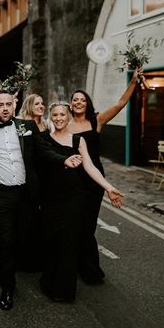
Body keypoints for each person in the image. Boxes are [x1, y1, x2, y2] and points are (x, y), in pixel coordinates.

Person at [39, 102, 123, 302]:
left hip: (74, 197)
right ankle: (49, 281)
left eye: (62, 115)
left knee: (68, 241)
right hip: (50, 198)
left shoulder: (78, 140)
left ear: (68, 117)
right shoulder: (42, 139)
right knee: (52, 240)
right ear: (51, 117)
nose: (59, 118)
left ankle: (64, 291)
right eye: (55, 115)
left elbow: (90, 167)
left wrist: (108, 187)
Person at [67, 69, 141, 284]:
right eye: (75, 100)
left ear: (87, 103)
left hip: (93, 180)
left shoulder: (96, 121)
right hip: (72, 179)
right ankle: (74, 264)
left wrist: (134, 82)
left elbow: (119, 104)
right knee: (74, 224)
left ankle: (90, 270)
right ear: (71, 104)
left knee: (88, 226)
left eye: (82, 100)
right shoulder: (65, 125)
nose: (79, 102)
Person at [0, 90, 42, 311]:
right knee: (6, 242)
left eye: (8, 104)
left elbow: (43, 152)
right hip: (0, 194)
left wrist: (65, 159)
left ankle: (7, 252)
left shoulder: (28, 127)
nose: (4, 108)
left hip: (25, 194)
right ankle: (6, 288)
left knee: (20, 239)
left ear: (14, 106)